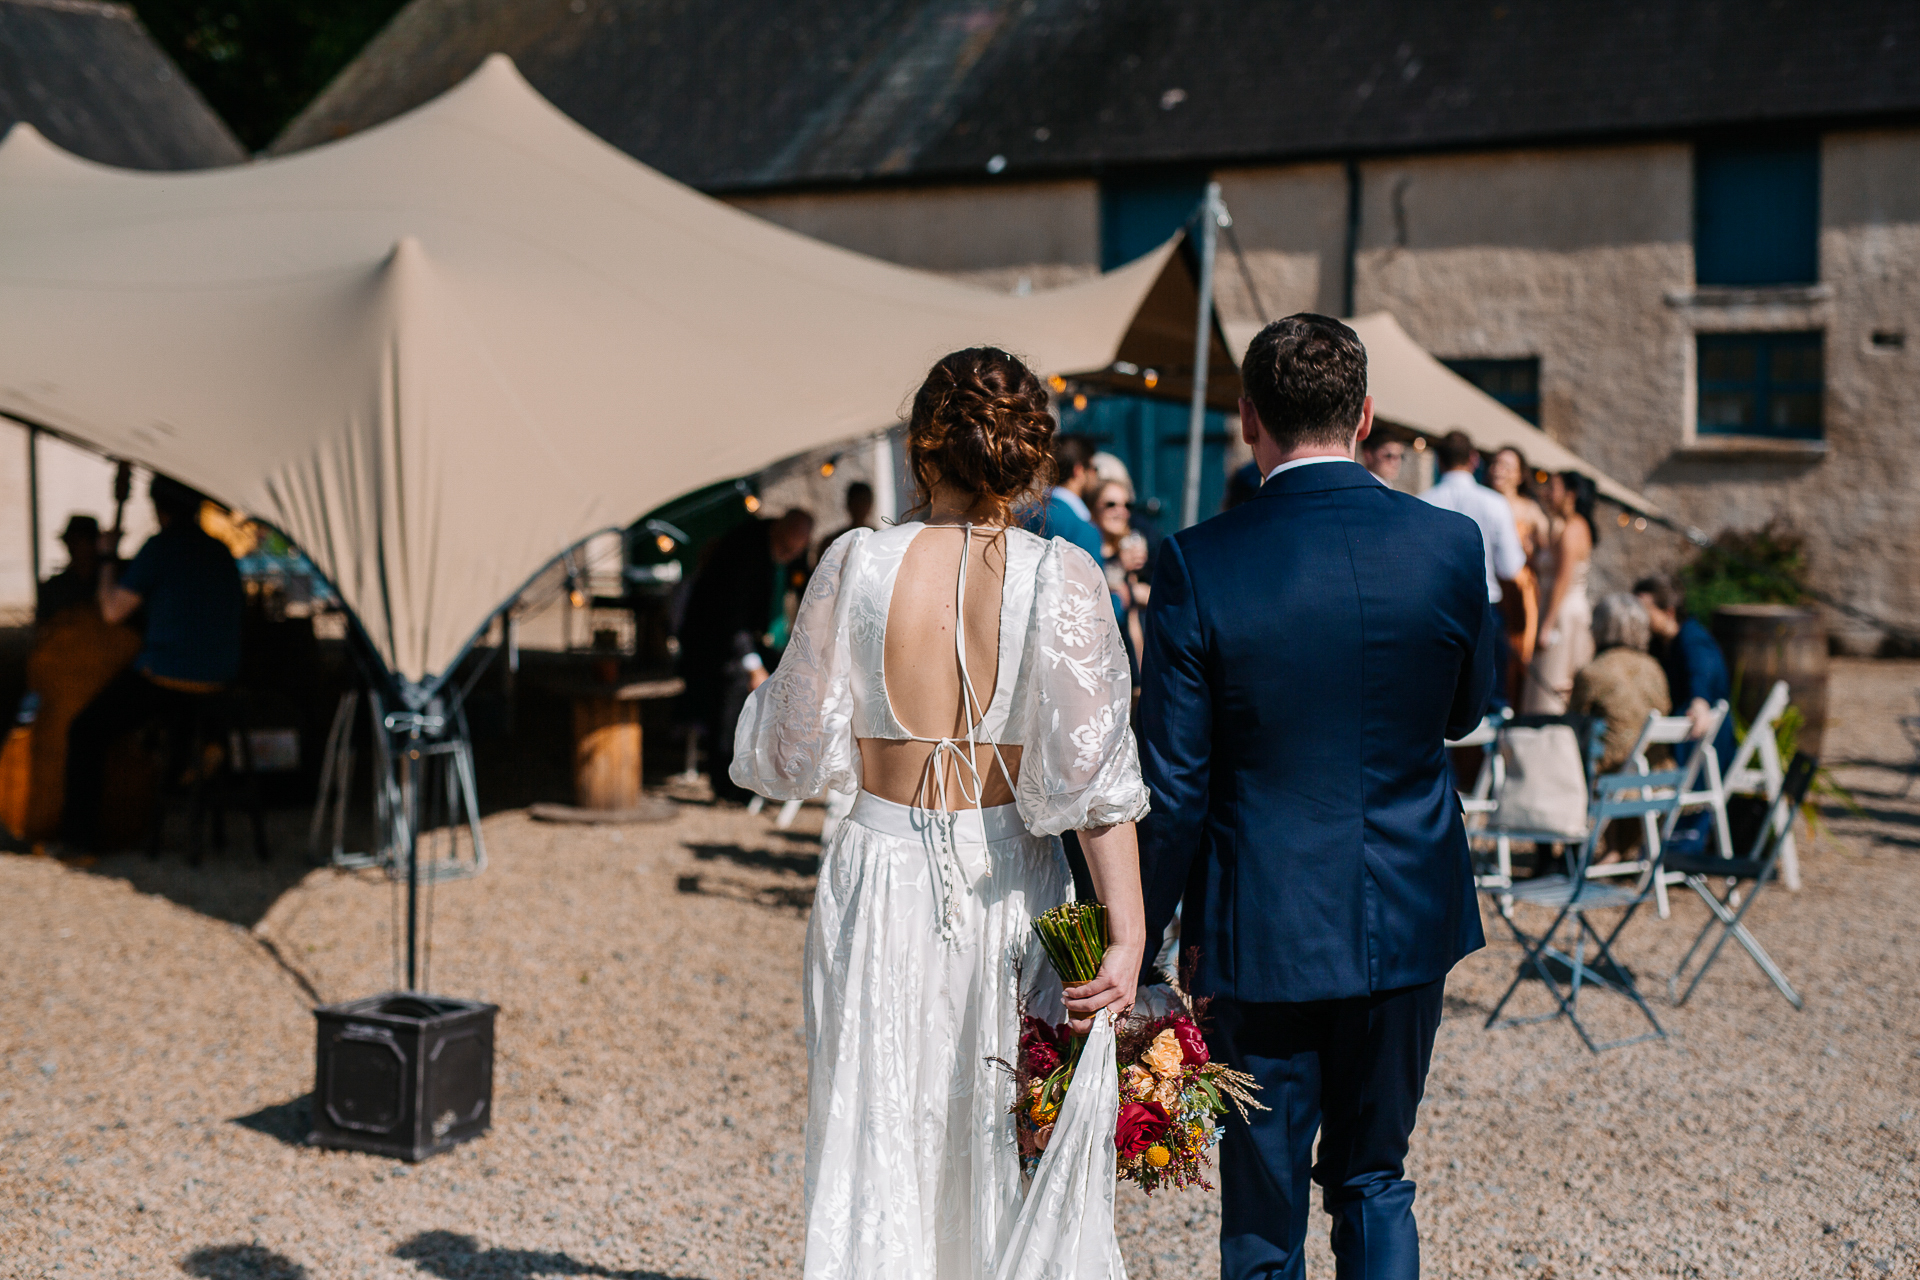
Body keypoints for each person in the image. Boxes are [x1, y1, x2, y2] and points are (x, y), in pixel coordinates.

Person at [732, 347, 1147, 1278]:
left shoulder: (855, 562)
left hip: (878, 870)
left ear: (924, 446)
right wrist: (1128, 936)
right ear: (1027, 455)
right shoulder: (1063, 576)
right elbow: (1096, 786)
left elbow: (787, 756)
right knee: (999, 1119)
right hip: (1007, 876)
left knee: (880, 1118)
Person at [1139, 314, 1494, 1280]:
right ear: (1367, 412)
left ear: (1248, 416)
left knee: (1264, 1204)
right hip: (1411, 909)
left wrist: (1139, 937)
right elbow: (1468, 712)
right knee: (1377, 1177)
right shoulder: (1452, 544)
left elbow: (1172, 781)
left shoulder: (1198, 560)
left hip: (1264, 928)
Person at [61, 476, 243, 852]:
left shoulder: (161, 548)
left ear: (159, 508)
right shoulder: (221, 551)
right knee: (175, 709)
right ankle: (194, 756)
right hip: (219, 683)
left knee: (85, 730)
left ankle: (79, 842)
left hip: (168, 678)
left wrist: (108, 556)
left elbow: (112, 611)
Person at [676, 507, 813, 803]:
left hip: (757, 635)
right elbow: (731, 617)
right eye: (787, 548)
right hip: (716, 637)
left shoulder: (791, 554)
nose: (790, 554)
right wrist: (752, 665)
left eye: (796, 550)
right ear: (777, 530)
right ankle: (726, 785)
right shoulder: (745, 552)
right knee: (731, 704)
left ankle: (765, 776)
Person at [1422, 430, 1526, 708]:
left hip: (1436, 611)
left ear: (1438, 461)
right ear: (1474, 459)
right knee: (1491, 701)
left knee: (1441, 701)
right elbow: (1510, 567)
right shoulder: (1494, 503)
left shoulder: (1420, 502)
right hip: (1484, 610)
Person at [1634, 572, 1736, 771]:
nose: (1636, 615)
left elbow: (1701, 673)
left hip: (1700, 747)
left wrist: (1699, 701)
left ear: (1669, 612)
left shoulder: (1692, 639)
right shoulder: (1660, 644)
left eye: (1644, 609)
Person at [1570, 593, 1672, 776]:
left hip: (1610, 778)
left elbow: (1572, 726)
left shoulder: (1593, 672)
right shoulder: (1655, 669)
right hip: (1656, 774)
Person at [1523, 470, 1597, 714]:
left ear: (1570, 495)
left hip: (1563, 614)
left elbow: (1562, 580)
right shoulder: (1563, 527)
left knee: (1552, 681)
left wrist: (1547, 625)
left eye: (1553, 488)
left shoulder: (1573, 529)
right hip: (1557, 609)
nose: (1546, 493)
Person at [1485, 447, 1552, 706]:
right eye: (1495, 463)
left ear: (1520, 475)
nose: (1498, 470)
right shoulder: (1484, 501)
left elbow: (1547, 554)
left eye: (1506, 465)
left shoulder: (1529, 508)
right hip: (1490, 587)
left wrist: (1531, 551)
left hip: (1519, 590)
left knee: (1518, 652)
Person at [1022, 432, 1107, 565]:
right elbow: (1091, 583)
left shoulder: (1024, 513)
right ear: (1078, 470)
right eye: (1093, 468)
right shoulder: (1084, 529)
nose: (1096, 475)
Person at [1093, 478, 1150, 670]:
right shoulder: (1088, 551)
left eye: (1127, 505)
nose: (1121, 511)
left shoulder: (1132, 546)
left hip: (1134, 659)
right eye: (1111, 504)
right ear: (1093, 508)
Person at [36, 515, 105, 623]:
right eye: (72, 541)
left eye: (80, 541)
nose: (73, 547)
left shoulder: (109, 581)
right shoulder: (54, 587)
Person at [820, 480, 876, 553]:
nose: (860, 507)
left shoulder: (878, 539)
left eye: (863, 501)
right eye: (856, 502)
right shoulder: (833, 542)